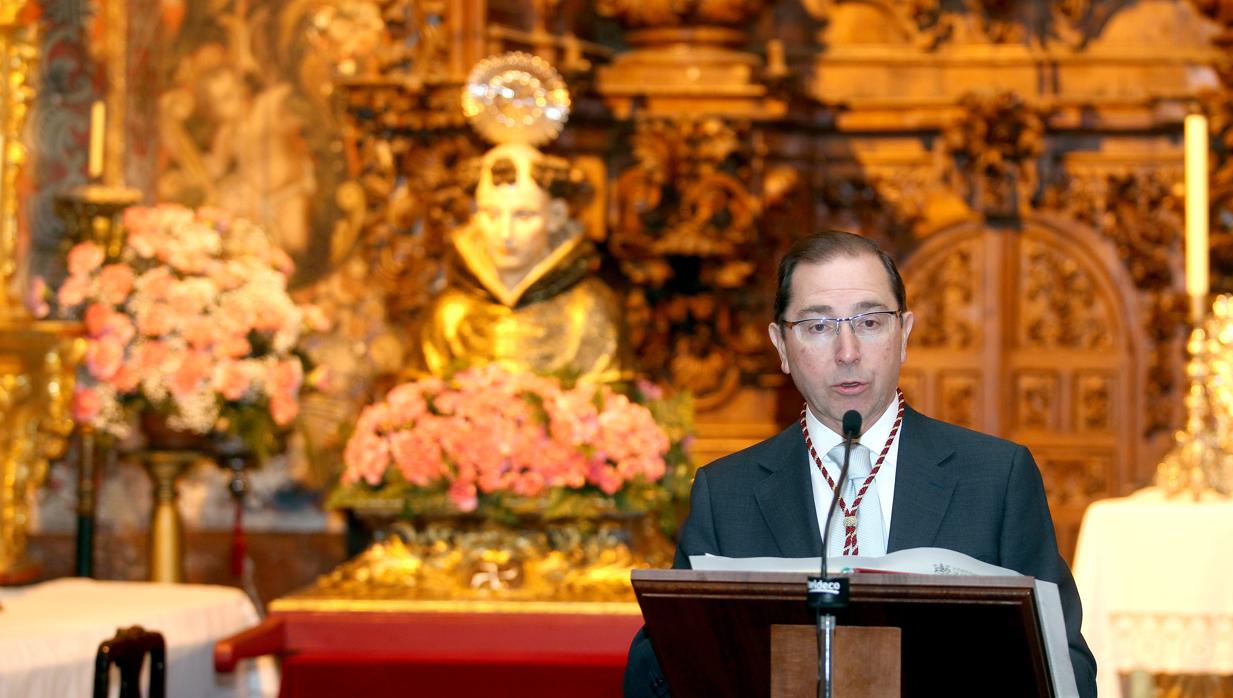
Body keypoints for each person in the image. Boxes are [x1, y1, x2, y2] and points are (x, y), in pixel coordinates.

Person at [623, 230, 1096, 696]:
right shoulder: (726, 493)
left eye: (870, 322)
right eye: (818, 326)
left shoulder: (995, 477)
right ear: (781, 346)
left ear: (904, 334)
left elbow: (1068, 666)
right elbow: (657, 673)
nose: (847, 353)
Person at [418, 142, 627, 382]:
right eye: (492, 214)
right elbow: (420, 401)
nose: (505, 233)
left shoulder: (588, 310)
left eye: (524, 215)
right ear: (474, 215)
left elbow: (612, 402)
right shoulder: (450, 315)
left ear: (556, 216)